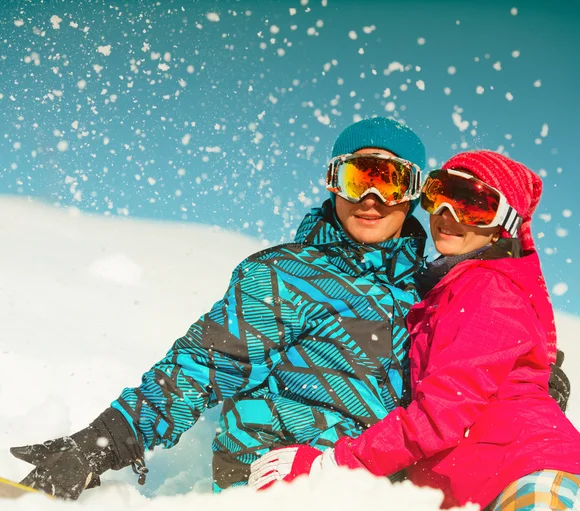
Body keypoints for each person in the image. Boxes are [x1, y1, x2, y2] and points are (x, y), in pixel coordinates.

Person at [10, 117, 430, 499]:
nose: (371, 198)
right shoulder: (288, 275)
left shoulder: (428, 296)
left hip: (376, 487)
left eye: (390, 182)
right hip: (281, 482)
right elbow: (202, 366)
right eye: (357, 179)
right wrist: (99, 444)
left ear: (412, 194)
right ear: (333, 183)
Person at [248, 151, 580, 511]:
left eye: (473, 206)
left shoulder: (488, 289)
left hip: (528, 476)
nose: (447, 216)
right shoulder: (446, 291)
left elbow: (439, 415)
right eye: (439, 196)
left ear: (504, 224)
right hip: (481, 486)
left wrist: (331, 466)